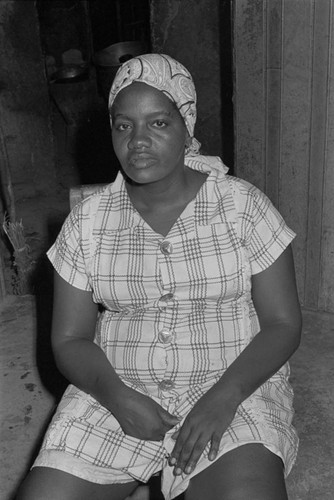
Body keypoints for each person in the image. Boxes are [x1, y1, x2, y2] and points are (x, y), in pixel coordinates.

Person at [17, 53, 302, 500]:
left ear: (187, 125)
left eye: (159, 123)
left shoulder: (243, 207)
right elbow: (70, 340)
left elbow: (283, 324)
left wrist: (223, 399)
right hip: (117, 385)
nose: (138, 141)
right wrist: (117, 396)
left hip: (233, 383)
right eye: (123, 125)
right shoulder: (89, 222)